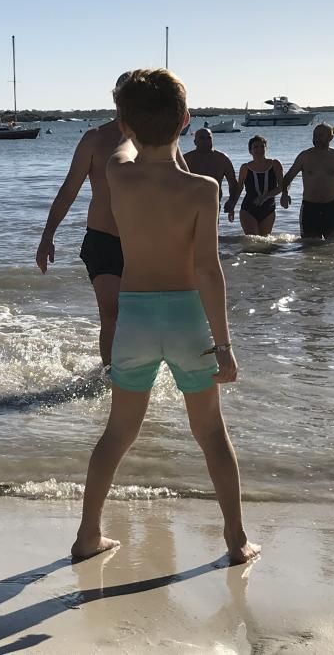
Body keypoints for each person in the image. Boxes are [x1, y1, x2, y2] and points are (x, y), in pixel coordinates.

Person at [71, 68, 260, 566]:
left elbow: (124, 149)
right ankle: (236, 541)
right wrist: (224, 344)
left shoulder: (119, 175)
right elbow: (208, 271)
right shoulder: (202, 189)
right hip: (186, 320)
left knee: (117, 433)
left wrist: (130, 127)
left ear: (126, 123)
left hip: (133, 318)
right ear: (187, 121)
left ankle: (88, 534)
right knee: (212, 435)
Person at [36, 73, 190, 368]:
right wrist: (47, 236)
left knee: (143, 316)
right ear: (117, 99)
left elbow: (184, 184)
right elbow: (69, 189)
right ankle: (110, 377)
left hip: (145, 243)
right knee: (111, 312)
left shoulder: (158, 141)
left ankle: (140, 374)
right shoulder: (95, 139)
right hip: (103, 239)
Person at [279, 123, 334, 240]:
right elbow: (288, 177)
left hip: (332, 207)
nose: (316, 138)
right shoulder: (305, 156)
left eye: (320, 135)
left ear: (330, 138)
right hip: (310, 208)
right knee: (310, 248)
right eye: (315, 135)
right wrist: (284, 194)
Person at [223, 135, 284, 236]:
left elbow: (282, 186)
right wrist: (232, 206)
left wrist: (265, 197)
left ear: (266, 148)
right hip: (248, 209)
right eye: (256, 147)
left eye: (262, 146)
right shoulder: (245, 167)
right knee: (253, 241)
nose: (259, 149)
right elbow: (239, 188)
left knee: (264, 243)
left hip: (268, 208)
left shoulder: (275, 164)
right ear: (250, 151)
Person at [184, 128, 238, 204]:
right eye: (202, 138)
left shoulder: (222, 159)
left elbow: (233, 183)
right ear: (195, 142)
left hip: (213, 205)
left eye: (209, 138)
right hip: (190, 205)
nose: (206, 141)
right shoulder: (186, 159)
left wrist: (231, 201)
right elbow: (175, 183)